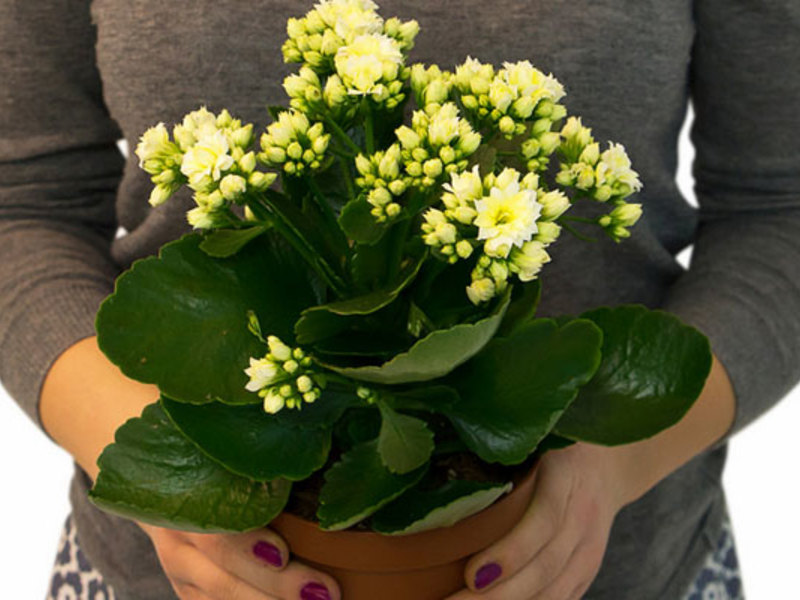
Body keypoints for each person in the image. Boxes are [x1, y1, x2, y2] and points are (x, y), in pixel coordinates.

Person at [2, 1, 799, 599]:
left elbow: (780, 210)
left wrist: (620, 464)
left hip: (628, 573)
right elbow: (22, 202)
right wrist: (170, 484)